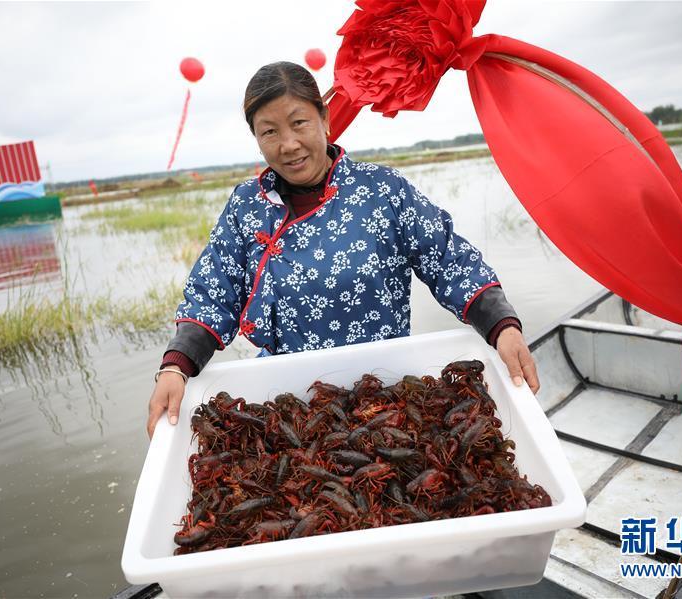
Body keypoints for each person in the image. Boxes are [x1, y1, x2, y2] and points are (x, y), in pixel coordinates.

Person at [147, 61, 539, 438]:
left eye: (299, 123)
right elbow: (213, 292)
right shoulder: (247, 205)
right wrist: (176, 366)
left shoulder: (381, 189)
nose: (288, 144)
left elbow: (449, 260)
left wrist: (501, 325)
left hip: (384, 393)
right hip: (290, 399)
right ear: (256, 139)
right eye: (269, 132)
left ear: (325, 119)